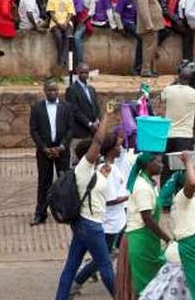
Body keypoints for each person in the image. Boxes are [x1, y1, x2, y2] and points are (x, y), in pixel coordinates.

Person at [139, 153, 195, 300]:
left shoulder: (193, 203)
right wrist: (188, 162)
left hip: (192, 254)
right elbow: (191, 183)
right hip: (185, 256)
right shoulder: (182, 198)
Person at [54, 112, 116, 300]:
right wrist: (107, 116)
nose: (97, 152)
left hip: (82, 224)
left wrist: (107, 168)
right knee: (105, 266)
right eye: (93, 151)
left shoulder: (94, 171)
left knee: (71, 266)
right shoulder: (84, 168)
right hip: (91, 225)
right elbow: (98, 141)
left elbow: (98, 185)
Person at [70, 128, 129, 296]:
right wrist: (128, 196)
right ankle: (78, 282)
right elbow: (109, 200)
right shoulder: (106, 170)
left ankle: (77, 282)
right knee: (104, 260)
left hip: (116, 221)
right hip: (109, 223)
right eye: (118, 146)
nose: (120, 148)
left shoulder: (112, 167)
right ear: (110, 150)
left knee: (103, 258)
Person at [30, 79, 74, 226]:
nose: (53, 92)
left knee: (64, 182)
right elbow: (34, 130)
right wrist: (44, 148)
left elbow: (70, 129)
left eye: (55, 90)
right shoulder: (37, 108)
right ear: (44, 91)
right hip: (44, 152)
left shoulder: (66, 107)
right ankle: (40, 214)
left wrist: (62, 146)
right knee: (44, 182)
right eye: (49, 90)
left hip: (62, 150)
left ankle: (65, 211)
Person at [124, 151, 169, 297]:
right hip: (141, 238)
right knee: (145, 285)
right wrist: (166, 238)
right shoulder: (142, 187)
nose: (162, 165)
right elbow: (147, 219)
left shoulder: (150, 183)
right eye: (158, 162)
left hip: (148, 238)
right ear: (149, 164)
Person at [161, 67, 195, 182]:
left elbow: (162, 97)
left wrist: (174, 82)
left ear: (179, 77)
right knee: (184, 169)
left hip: (169, 135)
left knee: (166, 169)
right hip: (185, 137)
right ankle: (181, 195)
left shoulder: (169, 90)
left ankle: (164, 195)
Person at [65, 63, 100, 165]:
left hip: (93, 133)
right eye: (82, 72)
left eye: (86, 72)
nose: (84, 75)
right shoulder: (72, 90)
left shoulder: (91, 89)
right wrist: (89, 124)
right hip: (80, 132)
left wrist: (97, 120)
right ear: (77, 73)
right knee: (79, 161)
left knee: (92, 160)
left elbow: (96, 107)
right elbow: (75, 111)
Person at [133, 0, 166, 77]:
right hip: (149, 26)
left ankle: (152, 69)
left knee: (152, 48)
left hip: (154, 25)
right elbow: (143, 10)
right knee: (148, 49)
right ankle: (146, 70)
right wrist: (149, 25)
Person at [46, 0, 75, 67]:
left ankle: (63, 59)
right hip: (55, 23)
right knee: (58, 36)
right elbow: (51, 14)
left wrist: (65, 23)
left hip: (67, 23)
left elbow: (70, 13)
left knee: (68, 36)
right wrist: (59, 24)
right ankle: (61, 57)